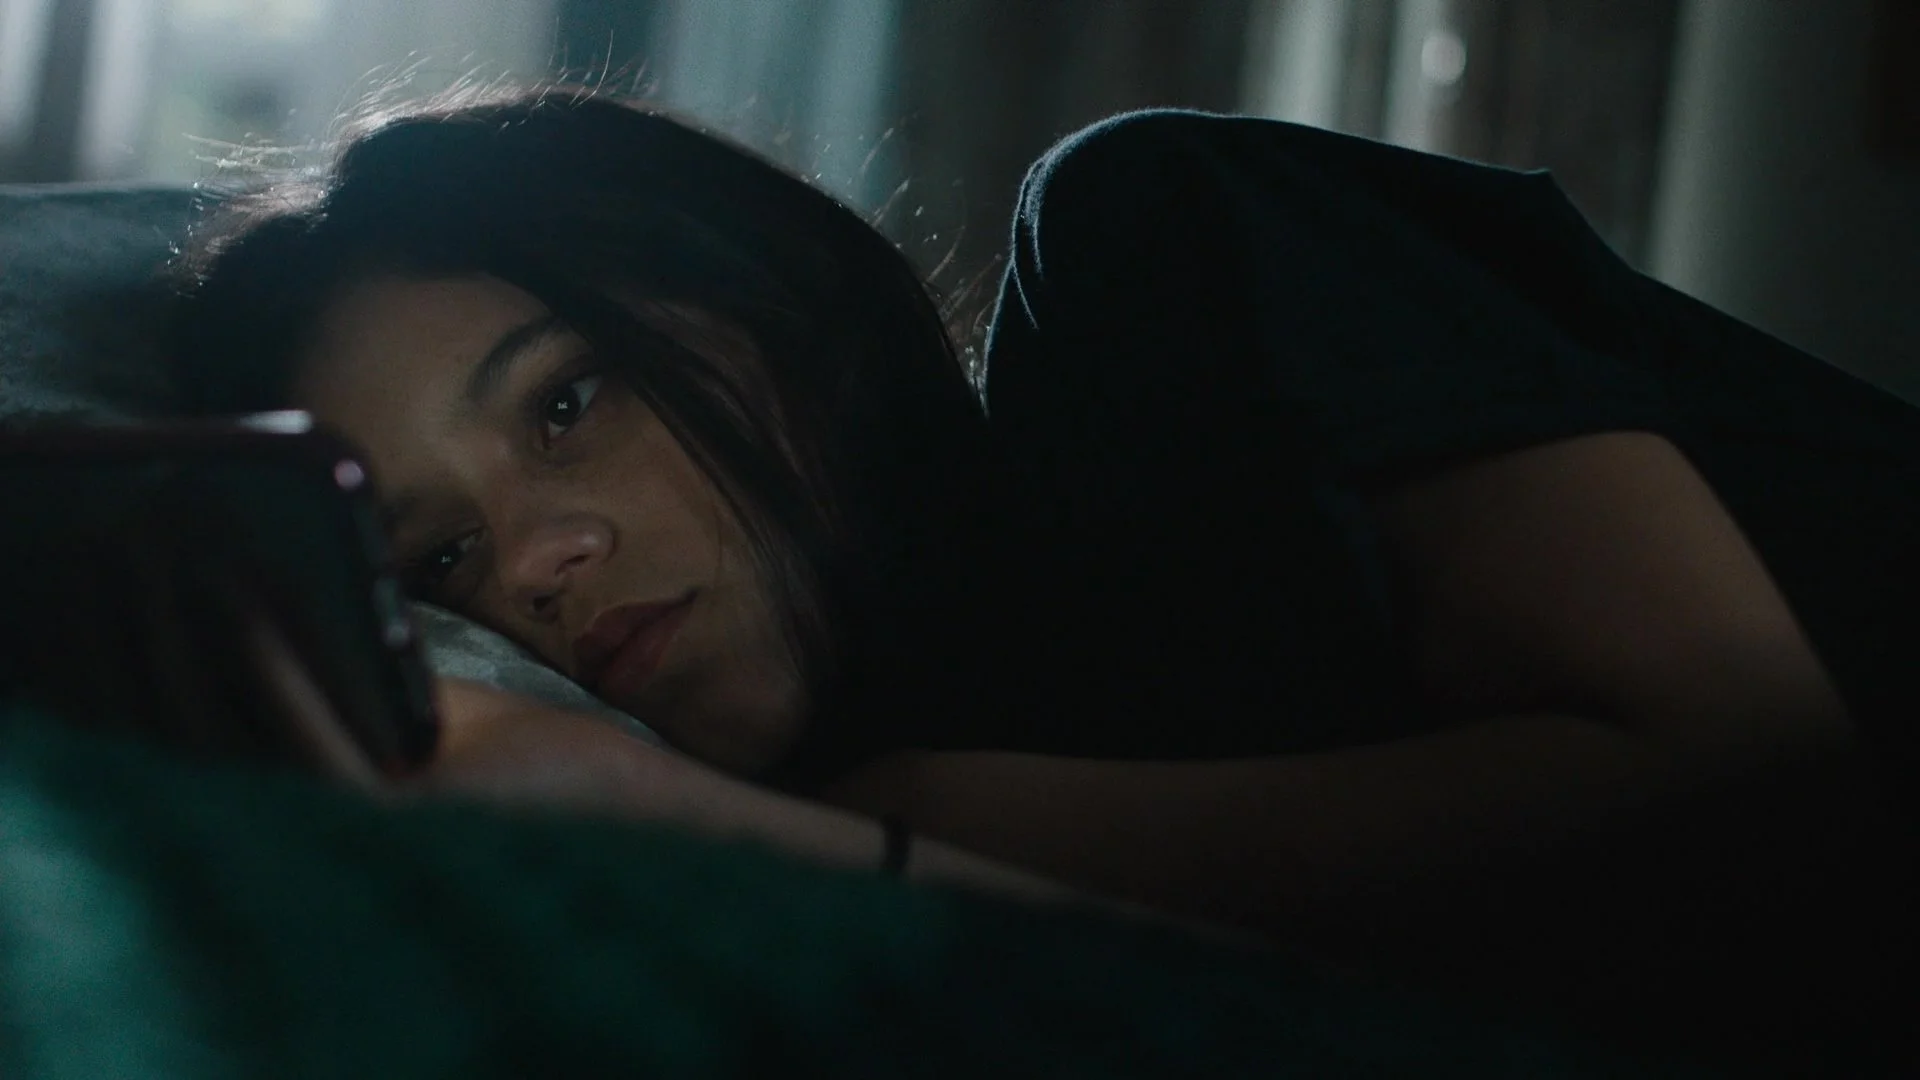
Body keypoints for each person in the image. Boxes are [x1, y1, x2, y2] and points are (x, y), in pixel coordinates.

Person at [167, 85, 1916, 1065]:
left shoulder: (1152, 250)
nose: (539, 566)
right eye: (444, 552)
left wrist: (893, 826)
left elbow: (1754, 778)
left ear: (765, 299)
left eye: (568, 403)